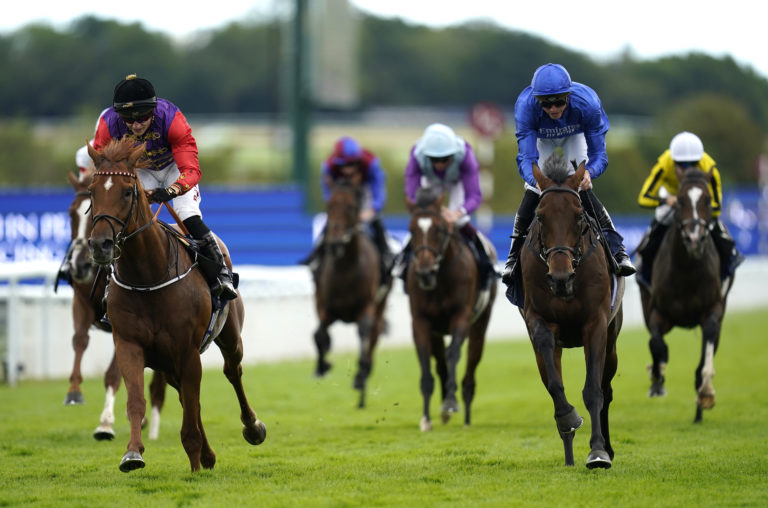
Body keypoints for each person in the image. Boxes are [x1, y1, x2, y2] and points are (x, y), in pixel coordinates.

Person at [93, 74, 237, 301]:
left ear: (154, 110)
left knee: (187, 214)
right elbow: (103, 170)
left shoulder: (171, 119)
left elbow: (191, 170)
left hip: (174, 167)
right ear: (118, 116)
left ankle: (220, 274)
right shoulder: (108, 125)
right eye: (128, 120)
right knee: (124, 219)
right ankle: (112, 281)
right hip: (140, 170)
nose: (136, 124)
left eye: (142, 117)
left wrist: (169, 191)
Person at [501, 62, 635, 289]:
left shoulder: (587, 103)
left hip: (576, 137)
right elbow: (525, 158)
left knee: (581, 186)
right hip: (542, 143)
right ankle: (513, 257)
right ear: (537, 100)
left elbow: (599, 154)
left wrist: (590, 173)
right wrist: (537, 180)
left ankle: (617, 250)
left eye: (559, 102)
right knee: (533, 189)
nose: (553, 109)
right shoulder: (526, 107)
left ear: (569, 96)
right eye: (546, 103)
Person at [635, 131, 744, 284]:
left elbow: (717, 207)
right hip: (671, 197)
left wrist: (697, 206)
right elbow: (643, 198)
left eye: (692, 164)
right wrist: (666, 200)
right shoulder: (664, 163)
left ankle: (729, 260)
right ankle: (645, 269)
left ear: (699, 160)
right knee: (658, 225)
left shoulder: (709, 168)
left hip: (698, 202)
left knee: (716, 228)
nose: (686, 170)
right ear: (673, 160)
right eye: (681, 164)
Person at [400, 122, 497, 290]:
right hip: (429, 182)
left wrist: (458, 213)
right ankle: (403, 263)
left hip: (456, 181)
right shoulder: (416, 155)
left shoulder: (466, 156)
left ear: (454, 154)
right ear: (426, 155)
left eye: (445, 159)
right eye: (434, 159)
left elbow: (474, 196)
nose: (440, 164)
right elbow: (411, 193)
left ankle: (486, 263)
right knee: (424, 222)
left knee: (459, 222)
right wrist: (427, 211)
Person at [304, 136, 393, 284]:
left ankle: (386, 256)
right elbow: (328, 194)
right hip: (341, 195)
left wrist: (370, 211)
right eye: (344, 165)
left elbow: (378, 193)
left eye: (352, 164)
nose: (348, 169)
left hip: (365, 192)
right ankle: (317, 257)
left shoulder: (371, 164)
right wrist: (336, 208)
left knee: (375, 223)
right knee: (332, 223)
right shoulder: (328, 167)